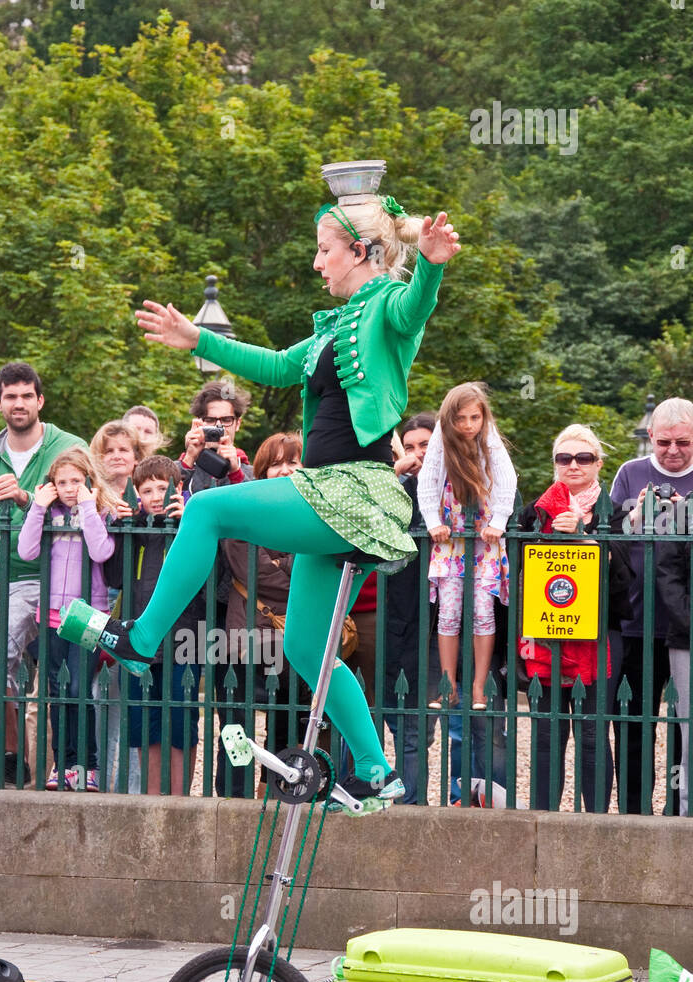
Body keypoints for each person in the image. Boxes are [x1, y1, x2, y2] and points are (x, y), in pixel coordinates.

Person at [63, 179, 461, 811]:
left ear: (358, 251)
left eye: (323, 249)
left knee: (207, 507)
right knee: (305, 645)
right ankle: (378, 771)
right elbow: (276, 365)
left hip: (352, 489)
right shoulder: (335, 326)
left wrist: (432, 271)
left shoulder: (386, 303)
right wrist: (198, 340)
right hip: (332, 495)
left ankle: (139, 642)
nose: (315, 261)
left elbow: (414, 310)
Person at [0, 362, 86, 788]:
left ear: (40, 400)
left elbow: (84, 510)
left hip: (40, 580)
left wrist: (25, 502)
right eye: (10, 396)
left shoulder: (67, 448)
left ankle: (14, 759)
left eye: (26, 395)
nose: (18, 403)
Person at [517, 425, 633, 812]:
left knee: (592, 733)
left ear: (598, 464)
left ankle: (596, 819)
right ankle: (543, 816)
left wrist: (585, 536)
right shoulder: (534, 512)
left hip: (601, 634)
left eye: (583, 458)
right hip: (546, 631)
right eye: (564, 458)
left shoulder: (613, 513)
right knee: (548, 733)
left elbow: (625, 579)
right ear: (554, 464)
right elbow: (517, 571)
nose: (573, 465)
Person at [346, 411, 437, 803]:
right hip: (377, 616)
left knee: (414, 726)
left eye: (426, 447)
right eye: (411, 446)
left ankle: (412, 803)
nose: (417, 455)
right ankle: (363, 795)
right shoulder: (389, 484)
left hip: (428, 622)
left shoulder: (445, 493)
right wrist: (396, 474)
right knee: (365, 713)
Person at [17, 446, 120, 792]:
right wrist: (37, 506)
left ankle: (87, 765)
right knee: (58, 690)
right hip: (51, 616)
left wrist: (89, 505)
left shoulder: (101, 511)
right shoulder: (47, 514)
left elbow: (102, 551)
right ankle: (62, 764)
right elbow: (26, 551)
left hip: (90, 615)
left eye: (76, 480)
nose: (69, 487)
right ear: (52, 485)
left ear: (88, 480)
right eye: (62, 481)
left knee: (79, 688)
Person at [610, 397, 693, 814]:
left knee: (685, 728)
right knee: (633, 727)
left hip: (687, 625)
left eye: (683, 443)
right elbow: (609, 543)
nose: (673, 451)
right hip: (637, 621)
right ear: (651, 438)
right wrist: (637, 518)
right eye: (663, 443)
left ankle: (680, 812)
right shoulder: (630, 473)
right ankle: (633, 812)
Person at [102, 455, 203, 795]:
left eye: (163, 488)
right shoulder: (135, 528)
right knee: (145, 722)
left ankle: (179, 798)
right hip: (141, 641)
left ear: (179, 489)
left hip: (186, 637)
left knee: (180, 723)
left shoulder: (194, 525)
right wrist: (120, 529)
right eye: (147, 490)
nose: (156, 496)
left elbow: (212, 581)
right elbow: (114, 577)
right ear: (136, 494)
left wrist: (187, 523)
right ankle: (152, 797)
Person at [419, 382, 516, 710]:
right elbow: (428, 480)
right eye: (461, 418)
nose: (469, 425)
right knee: (448, 613)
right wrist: (433, 521)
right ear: (450, 418)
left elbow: (506, 480)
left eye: (475, 417)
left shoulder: (488, 436)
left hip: (483, 534)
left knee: (483, 612)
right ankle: (447, 684)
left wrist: (498, 523)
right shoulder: (440, 438)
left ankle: (478, 685)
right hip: (450, 536)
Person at [220, 433, 302, 795]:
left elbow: (307, 568)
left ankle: (278, 791)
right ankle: (235, 795)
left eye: (293, 462)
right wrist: (289, 564)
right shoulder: (244, 506)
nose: (284, 470)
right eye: (275, 464)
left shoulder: (313, 511)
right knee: (238, 720)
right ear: (262, 470)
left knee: (288, 717)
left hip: (295, 631)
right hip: (247, 630)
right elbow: (249, 569)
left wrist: (278, 563)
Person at [656, 534, 692, 817]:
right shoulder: (685, 513)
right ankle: (687, 813)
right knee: (689, 732)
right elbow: (668, 573)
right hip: (687, 639)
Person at [179, 379, 253, 495]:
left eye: (226, 419)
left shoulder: (253, 473)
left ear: (238, 424)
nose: (219, 425)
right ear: (198, 422)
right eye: (210, 420)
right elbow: (163, 502)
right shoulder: (175, 468)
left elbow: (254, 508)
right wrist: (189, 459)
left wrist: (235, 472)